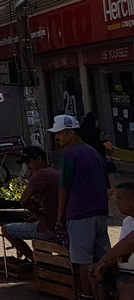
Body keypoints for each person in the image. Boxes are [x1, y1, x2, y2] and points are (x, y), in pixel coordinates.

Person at [52, 113, 110, 298]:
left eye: (59, 133)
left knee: (82, 261)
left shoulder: (70, 155)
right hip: (100, 212)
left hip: (80, 213)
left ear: (71, 133)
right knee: (101, 259)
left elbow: (64, 187)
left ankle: (87, 295)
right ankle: (104, 294)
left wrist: (60, 212)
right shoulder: (94, 152)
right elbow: (107, 184)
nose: (56, 137)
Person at [0, 146, 62, 261]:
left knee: (6, 229)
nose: (28, 167)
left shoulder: (40, 174)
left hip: (51, 229)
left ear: (39, 159)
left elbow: (23, 201)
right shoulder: (56, 172)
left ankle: (34, 260)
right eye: (25, 164)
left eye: (29, 162)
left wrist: (41, 216)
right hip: (62, 227)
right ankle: (43, 260)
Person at [90, 181, 134, 300]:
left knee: (127, 290)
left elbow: (130, 244)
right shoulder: (127, 221)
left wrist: (104, 259)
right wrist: (104, 264)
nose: (116, 203)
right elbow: (122, 253)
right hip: (128, 268)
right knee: (94, 271)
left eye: (120, 199)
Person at [82, 111, 117, 208]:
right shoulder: (98, 132)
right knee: (110, 186)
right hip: (100, 161)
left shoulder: (81, 132)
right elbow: (108, 146)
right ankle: (103, 206)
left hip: (85, 162)